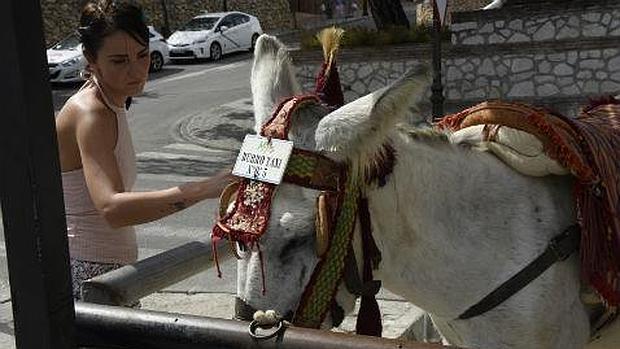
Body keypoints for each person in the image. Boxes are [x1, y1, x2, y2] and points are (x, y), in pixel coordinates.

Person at [55, 0, 235, 299]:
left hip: (105, 268)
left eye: (142, 55)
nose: (137, 71)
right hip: (89, 273)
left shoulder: (109, 100)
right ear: (90, 58)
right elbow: (112, 208)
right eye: (119, 61)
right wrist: (205, 188)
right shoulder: (91, 112)